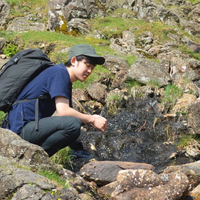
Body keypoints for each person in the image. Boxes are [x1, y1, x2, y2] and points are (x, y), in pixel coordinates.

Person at [6, 44, 107, 157]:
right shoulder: (60, 73)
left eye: (92, 68)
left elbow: (67, 115)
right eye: (87, 65)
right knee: (73, 125)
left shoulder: (61, 75)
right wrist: (92, 119)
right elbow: (64, 111)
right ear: (74, 60)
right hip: (20, 130)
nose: (89, 71)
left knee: (72, 123)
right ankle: (36, 157)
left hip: (21, 127)